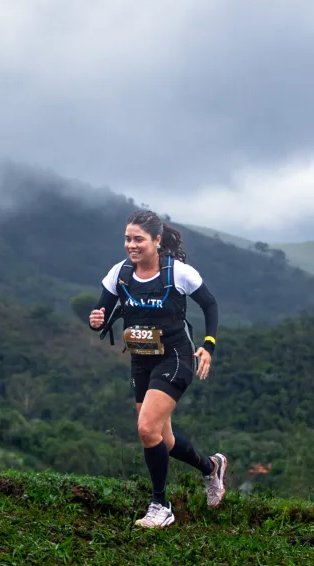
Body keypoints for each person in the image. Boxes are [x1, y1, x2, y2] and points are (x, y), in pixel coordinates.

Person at [87, 209, 227, 529]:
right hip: (141, 360)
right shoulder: (119, 273)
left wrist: (209, 344)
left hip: (175, 356)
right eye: (127, 239)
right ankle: (211, 467)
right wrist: (96, 319)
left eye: (138, 239)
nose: (131, 245)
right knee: (163, 437)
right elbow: (102, 316)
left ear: (156, 241)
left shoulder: (177, 272)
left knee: (147, 429)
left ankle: (161, 506)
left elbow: (210, 304)